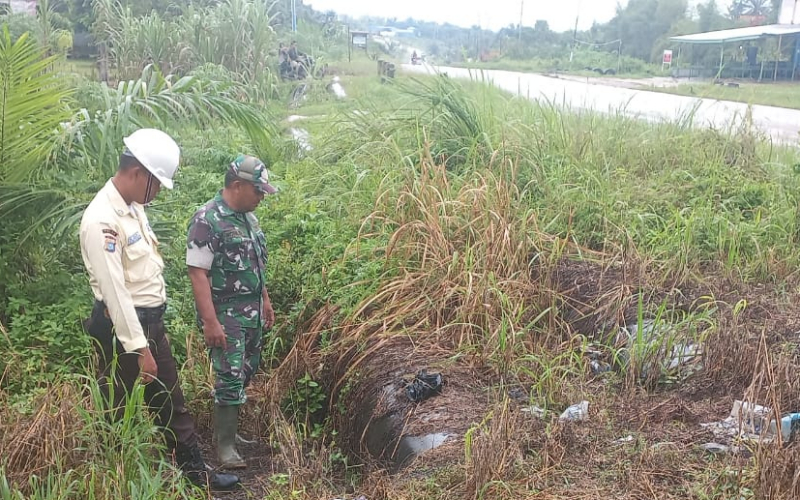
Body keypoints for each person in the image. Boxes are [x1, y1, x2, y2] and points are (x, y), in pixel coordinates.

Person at [79, 128, 240, 491]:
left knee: (172, 401)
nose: (155, 194)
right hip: (124, 330)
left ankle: (197, 478)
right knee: (118, 409)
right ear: (138, 173)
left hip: (150, 325)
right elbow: (116, 293)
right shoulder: (102, 220)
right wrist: (139, 349)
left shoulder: (133, 208)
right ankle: (115, 480)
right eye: (155, 184)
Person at [186, 155, 276, 469]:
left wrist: (264, 298)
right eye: (258, 191)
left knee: (247, 368)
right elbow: (197, 273)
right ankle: (224, 446)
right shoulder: (207, 219)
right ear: (237, 186)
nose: (262, 197)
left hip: (251, 312)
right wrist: (210, 321)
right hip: (226, 314)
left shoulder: (248, 219)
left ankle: (233, 434)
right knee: (229, 376)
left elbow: (255, 263)